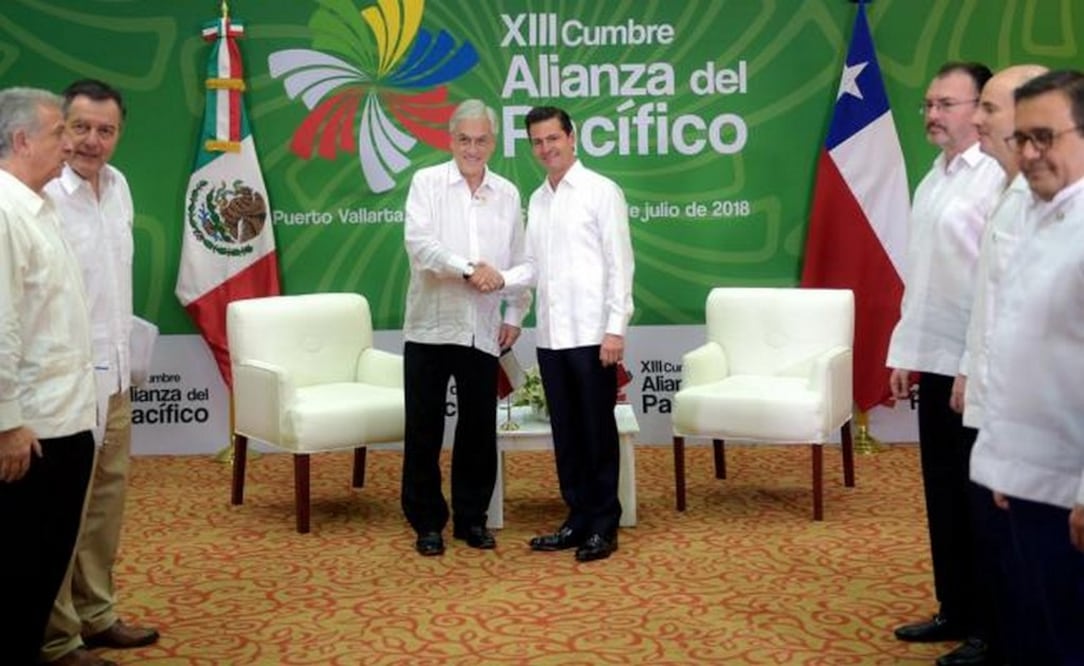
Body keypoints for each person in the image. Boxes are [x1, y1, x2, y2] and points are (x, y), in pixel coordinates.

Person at [885, 62, 1004, 666]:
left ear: (981, 109)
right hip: (934, 360)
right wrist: (907, 350)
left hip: (976, 368)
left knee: (979, 498)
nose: (931, 114)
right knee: (942, 492)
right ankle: (953, 607)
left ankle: (990, 626)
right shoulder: (933, 179)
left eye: (946, 104)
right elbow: (923, 278)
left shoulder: (995, 182)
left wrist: (964, 363)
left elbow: (991, 285)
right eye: (928, 103)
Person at [39, 80, 159, 666]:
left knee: (106, 507)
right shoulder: (37, 197)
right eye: (81, 127)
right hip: (63, 389)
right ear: (61, 129)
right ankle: (57, 637)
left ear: (119, 134)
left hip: (114, 383)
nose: (92, 141)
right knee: (62, 513)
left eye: (105, 130)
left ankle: (96, 614)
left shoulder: (119, 188)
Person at [969, 69, 1084, 665]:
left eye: (1047, 137)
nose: (1031, 153)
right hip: (1029, 476)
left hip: (1072, 489)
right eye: (1023, 139)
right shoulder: (1036, 213)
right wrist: (1007, 461)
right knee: (1039, 625)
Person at [400, 99, 530, 557]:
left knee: (478, 429)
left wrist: (514, 315)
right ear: (449, 139)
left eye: (481, 140)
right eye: (464, 140)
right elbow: (420, 246)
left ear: (493, 142)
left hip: (483, 329)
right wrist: (469, 269)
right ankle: (427, 522)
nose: (472, 149)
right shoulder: (427, 183)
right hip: (430, 327)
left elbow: (520, 262)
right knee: (424, 429)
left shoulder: (509, 193)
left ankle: (471, 520)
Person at [955, 64, 1049, 666]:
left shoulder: (1050, 205)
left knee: (1038, 569)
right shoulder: (1011, 195)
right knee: (1007, 554)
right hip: (1001, 408)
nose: (978, 119)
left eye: (989, 107)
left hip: (1040, 424)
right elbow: (988, 309)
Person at [0, 87, 98, 665]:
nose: (70, 143)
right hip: (31, 434)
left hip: (64, 419)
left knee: (40, 569)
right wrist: (7, 423)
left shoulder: (38, 207)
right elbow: (2, 326)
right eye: (60, 132)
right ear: (21, 140)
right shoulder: (6, 214)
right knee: (20, 572)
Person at [513, 106, 634, 563]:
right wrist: (494, 277)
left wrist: (614, 330)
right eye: (538, 142)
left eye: (553, 139)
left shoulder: (602, 192)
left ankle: (605, 524)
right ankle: (577, 518)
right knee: (566, 433)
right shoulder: (538, 199)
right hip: (550, 337)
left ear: (572, 137)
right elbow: (530, 268)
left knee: (597, 431)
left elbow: (620, 264)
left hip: (593, 336)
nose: (546, 149)